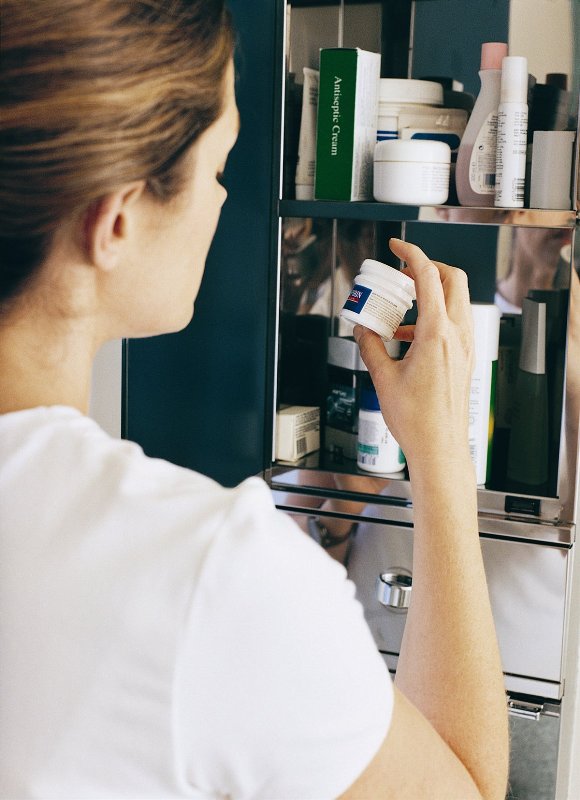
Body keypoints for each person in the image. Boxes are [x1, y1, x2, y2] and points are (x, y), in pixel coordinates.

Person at [0, 1, 509, 797]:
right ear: (117, 221)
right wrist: (440, 451)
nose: (220, 200)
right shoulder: (205, 577)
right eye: (218, 169)